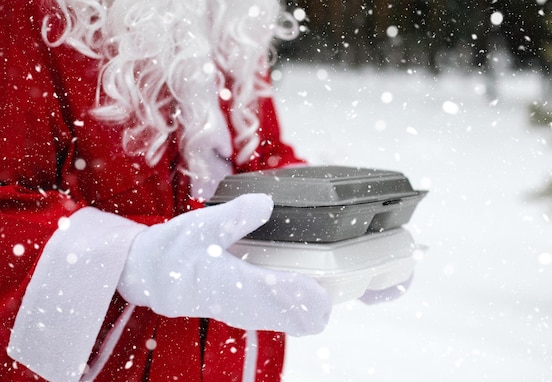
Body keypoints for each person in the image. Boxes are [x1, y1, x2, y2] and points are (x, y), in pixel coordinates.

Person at [0, 0, 332, 381]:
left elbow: (259, 152)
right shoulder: (25, 11)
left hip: (236, 355)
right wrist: (133, 261)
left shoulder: (233, 11)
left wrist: (329, 220)